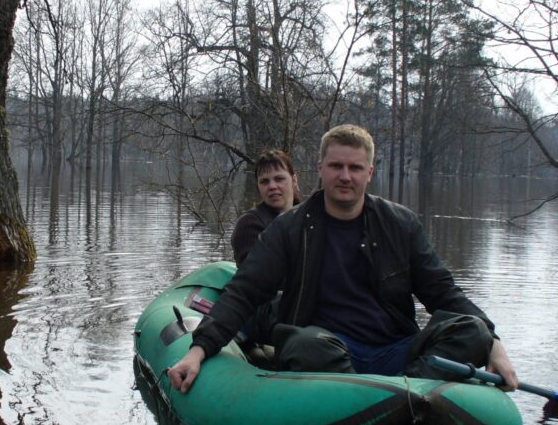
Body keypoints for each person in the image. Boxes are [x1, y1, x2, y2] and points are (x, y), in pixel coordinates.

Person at [167, 124, 518, 393]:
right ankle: (380, 398)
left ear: (370, 172)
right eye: (336, 166)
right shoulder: (290, 228)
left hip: (394, 349)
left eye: (354, 167)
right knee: (305, 344)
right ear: (321, 168)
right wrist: (199, 350)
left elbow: (444, 293)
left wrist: (493, 342)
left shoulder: (401, 224)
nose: (345, 176)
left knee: (470, 331)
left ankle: (405, 395)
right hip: (326, 349)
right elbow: (245, 292)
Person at [230, 148, 301, 266]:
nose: (272, 186)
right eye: (264, 181)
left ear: (294, 180)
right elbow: (253, 278)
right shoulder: (249, 225)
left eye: (279, 179)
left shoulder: (309, 217)